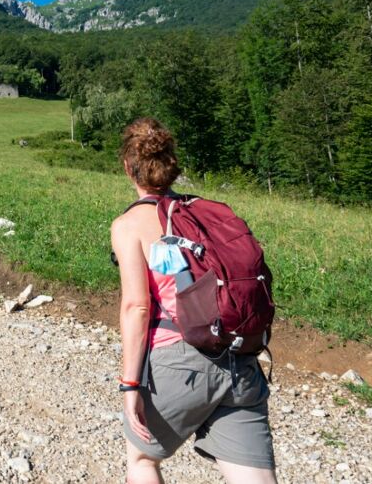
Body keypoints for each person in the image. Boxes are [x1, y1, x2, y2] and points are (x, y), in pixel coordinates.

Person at [110, 118, 276, 484]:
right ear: (171, 166)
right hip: (239, 359)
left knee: (141, 458)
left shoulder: (130, 224)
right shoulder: (205, 213)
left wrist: (130, 386)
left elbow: (137, 308)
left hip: (180, 364)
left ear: (128, 167)